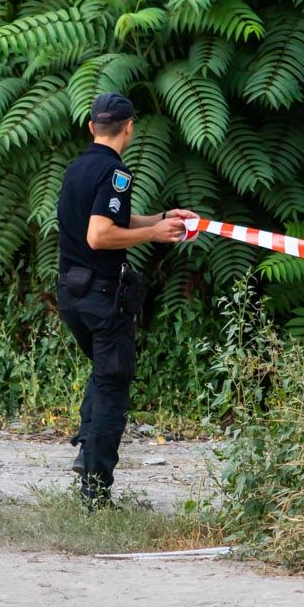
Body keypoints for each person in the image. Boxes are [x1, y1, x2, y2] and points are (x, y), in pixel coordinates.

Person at [56, 91, 197, 505]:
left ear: (91, 127)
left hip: (70, 295)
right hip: (102, 298)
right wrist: (153, 235)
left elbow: (108, 218)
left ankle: (86, 449)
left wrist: (161, 218)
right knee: (112, 386)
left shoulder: (77, 167)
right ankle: (95, 493)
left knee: (103, 373)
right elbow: (100, 234)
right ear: (130, 127)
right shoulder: (117, 173)